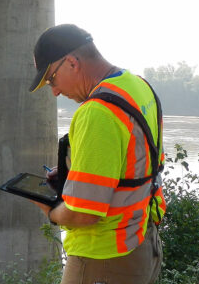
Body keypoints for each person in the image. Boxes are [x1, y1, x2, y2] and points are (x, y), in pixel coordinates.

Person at [28, 24, 166, 284]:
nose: (55, 91)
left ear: (72, 62)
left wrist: (51, 210)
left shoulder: (97, 112)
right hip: (143, 243)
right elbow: (135, 164)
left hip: (103, 258)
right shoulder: (137, 86)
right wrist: (77, 174)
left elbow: (84, 214)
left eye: (51, 79)